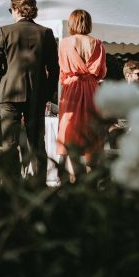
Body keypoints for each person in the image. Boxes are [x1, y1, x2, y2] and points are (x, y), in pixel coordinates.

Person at [0, 0, 58, 182]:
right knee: (37, 143)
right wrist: (46, 93)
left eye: (11, 10)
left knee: (9, 143)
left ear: (17, 9)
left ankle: (12, 185)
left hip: (9, 94)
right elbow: (54, 69)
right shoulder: (46, 33)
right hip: (37, 94)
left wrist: (6, 81)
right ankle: (39, 185)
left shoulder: (5, 31)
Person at [57, 9, 106, 177]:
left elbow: (62, 70)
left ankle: (74, 177)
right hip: (92, 89)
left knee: (70, 129)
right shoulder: (97, 43)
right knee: (91, 130)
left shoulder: (64, 43)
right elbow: (101, 73)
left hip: (72, 89)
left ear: (71, 23)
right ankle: (93, 177)